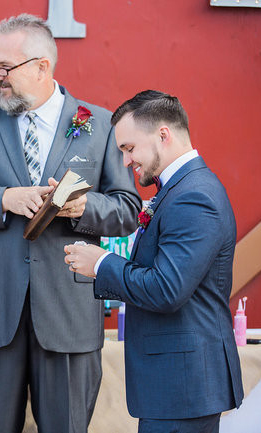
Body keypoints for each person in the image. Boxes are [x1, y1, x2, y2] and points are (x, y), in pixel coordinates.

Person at [0, 14, 141, 433]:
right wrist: (4, 199)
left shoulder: (99, 126)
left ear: (42, 67)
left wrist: (81, 207)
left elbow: (128, 209)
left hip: (68, 310)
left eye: (5, 68)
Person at [64, 90, 244, 433]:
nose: (127, 161)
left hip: (184, 385)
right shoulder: (179, 189)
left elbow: (166, 289)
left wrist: (102, 263)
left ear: (163, 134)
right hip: (177, 385)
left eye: (129, 148)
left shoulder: (194, 196)